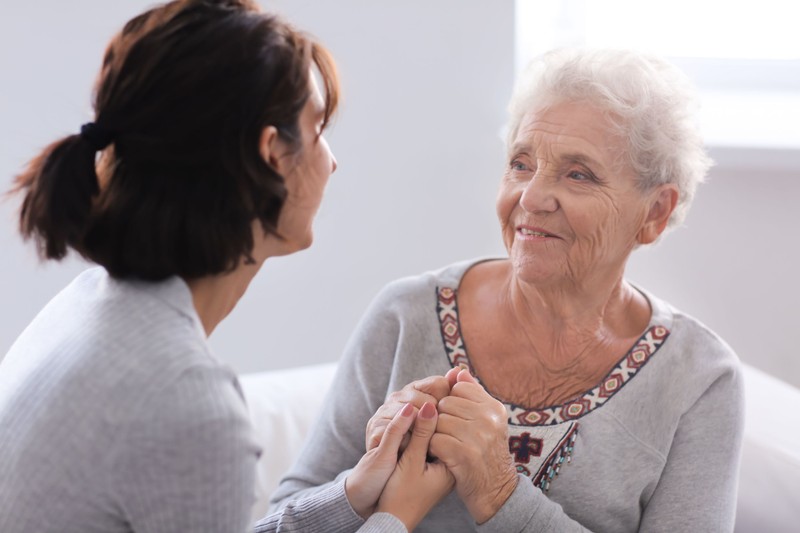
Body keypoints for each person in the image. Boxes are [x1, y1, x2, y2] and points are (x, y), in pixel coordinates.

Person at [0, 1, 452, 532]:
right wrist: (396, 518)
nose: (332, 160)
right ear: (271, 153)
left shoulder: (86, 304)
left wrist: (352, 497)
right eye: (318, 128)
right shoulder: (188, 399)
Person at [270, 48, 745, 532]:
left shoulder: (699, 379)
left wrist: (500, 494)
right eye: (521, 164)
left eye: (578, 174)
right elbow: (280, 518)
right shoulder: (405, 315)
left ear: (655, 213)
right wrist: (362, 488)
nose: (532, 198)